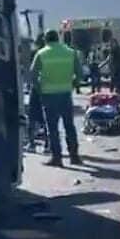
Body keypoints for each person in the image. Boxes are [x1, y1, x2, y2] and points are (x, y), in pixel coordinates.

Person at [30, 29, 81, 167]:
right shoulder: (70, 52)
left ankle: (57, 157)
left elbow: (33, 75)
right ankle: (74, 156)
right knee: (69, 125)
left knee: (52, 128)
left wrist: (40, 89)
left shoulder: (41, 53)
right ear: (58, 39)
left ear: (46, 39)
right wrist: (73, 85)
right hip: (65, 94)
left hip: (48, 95)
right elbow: (79, 72)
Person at [25, 36, 47, 152]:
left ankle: (32, 143)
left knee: (32, 116)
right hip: (48, 88)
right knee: (47, 118)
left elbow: (32, 72)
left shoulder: (37, 53)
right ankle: (48, 145)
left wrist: (32, 85)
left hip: (37, 88)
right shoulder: (49, 53)